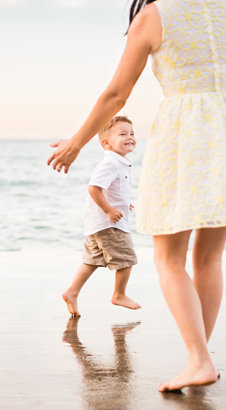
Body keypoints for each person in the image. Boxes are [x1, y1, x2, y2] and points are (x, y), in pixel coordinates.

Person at [48, 0, 226, 392]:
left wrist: (78, 143)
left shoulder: (154, 15)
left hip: (184, 133)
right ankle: (199, 359)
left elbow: (117, 94)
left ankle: (199, 360)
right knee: (210, 257)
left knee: (168, 258)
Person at [61, 116, 142, 317]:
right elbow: (94, 188)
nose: (130, 137)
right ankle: (119, 294)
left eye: (131, 133)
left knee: (92, 261)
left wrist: (122, 201)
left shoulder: (119, 162)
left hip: (97, 224)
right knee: (127, 259)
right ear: (106, 143)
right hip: (109, 224)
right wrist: (109, 210)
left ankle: (72, 292)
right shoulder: (111, 163)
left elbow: (111, 188)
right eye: (122, 134)